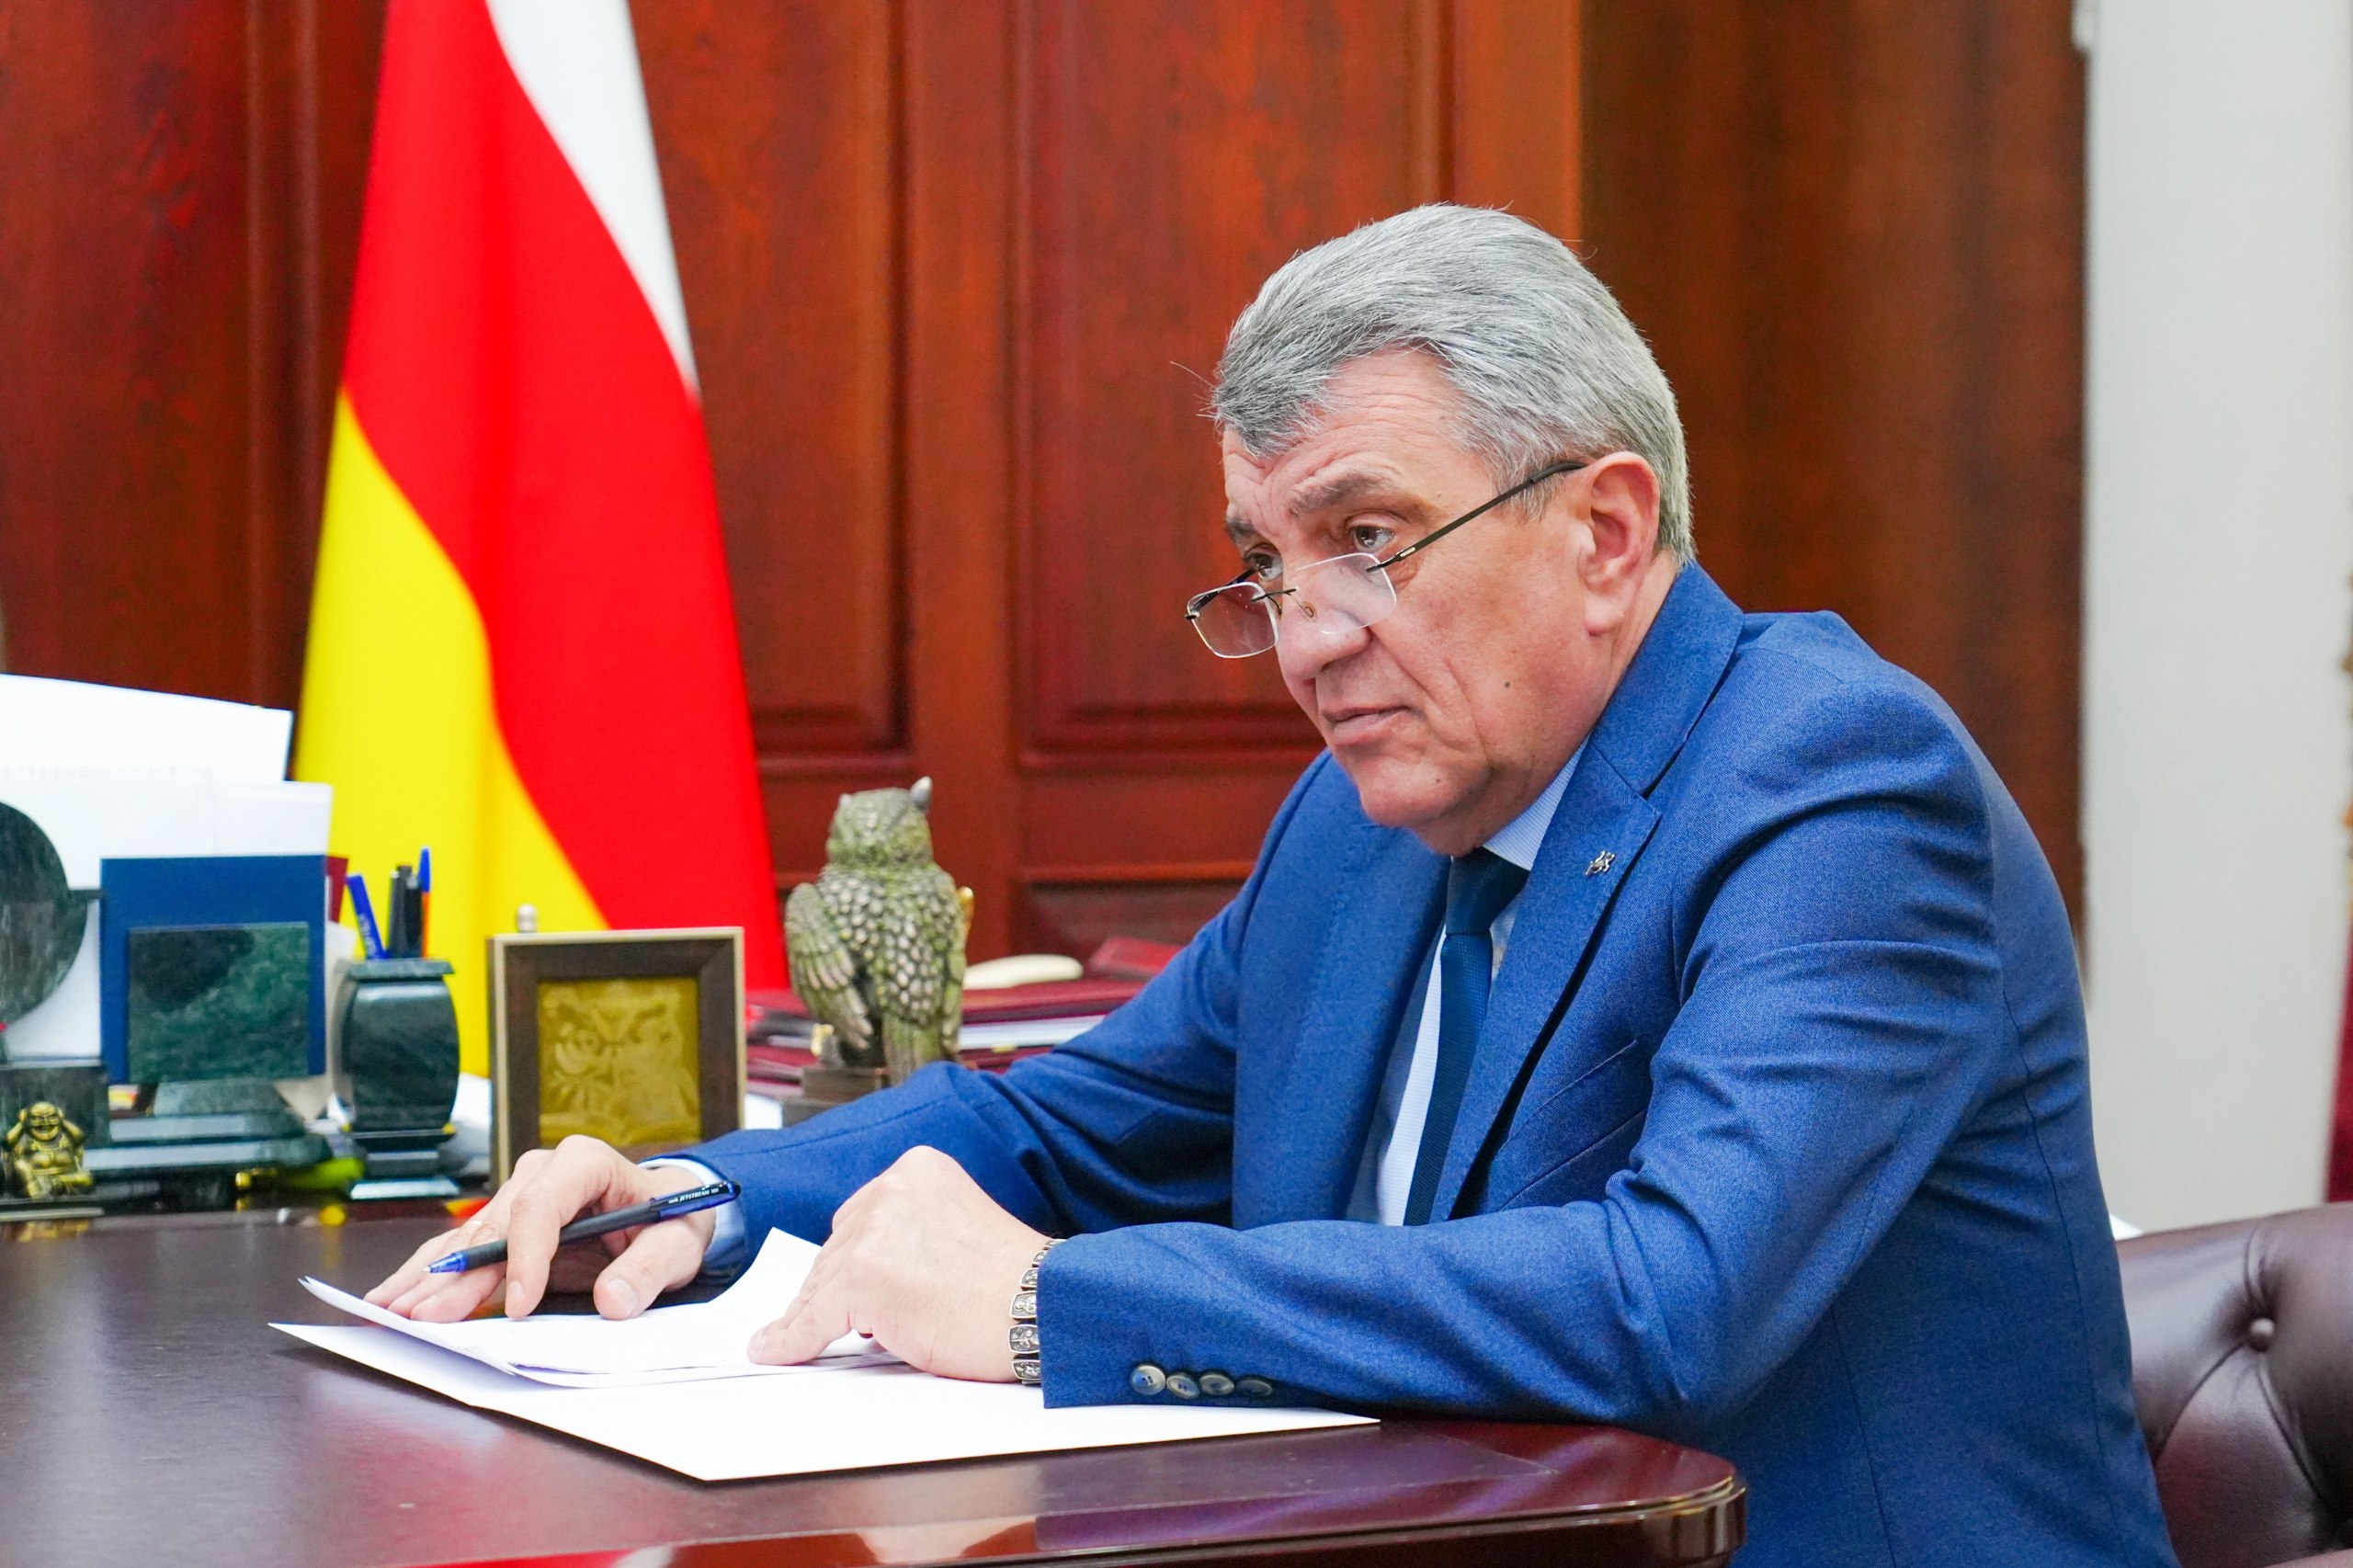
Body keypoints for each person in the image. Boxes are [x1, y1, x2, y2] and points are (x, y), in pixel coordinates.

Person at [369, 205, 2177, 1567]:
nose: (1305, 642)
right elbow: (1067, 1129)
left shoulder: (1834, 782)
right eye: (1268, 568)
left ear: (1605, 535)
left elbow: (1667, 1300)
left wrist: (1048, 1307)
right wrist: (698, 1195)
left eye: (1367, 543)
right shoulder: (1356, 824)